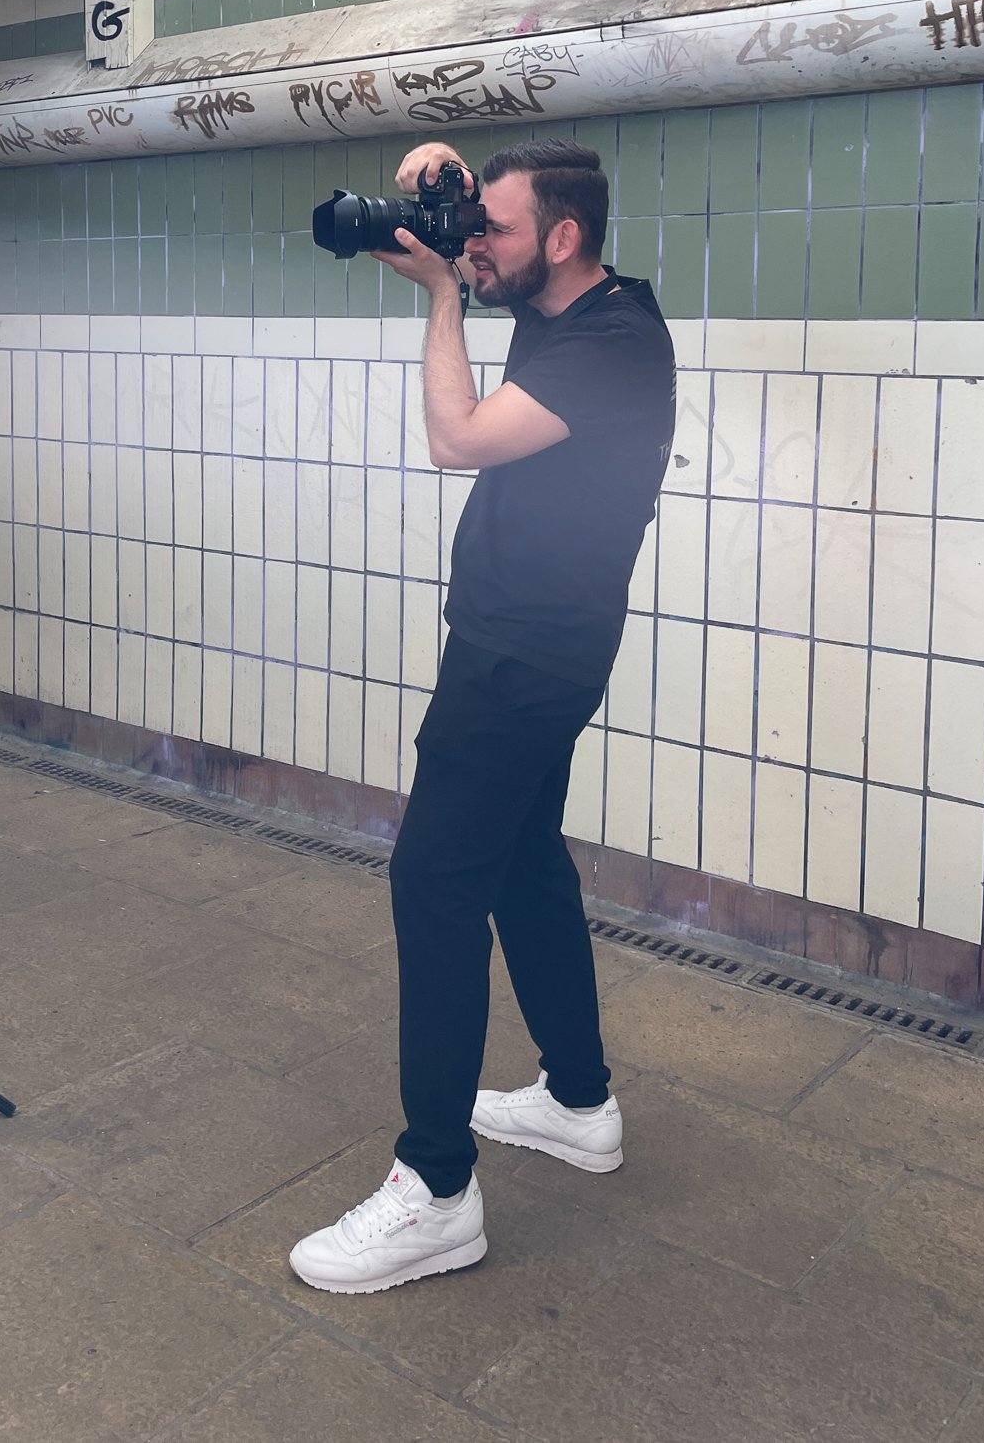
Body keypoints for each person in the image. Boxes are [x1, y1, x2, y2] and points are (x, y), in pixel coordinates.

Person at [288, 137, 676, 1295]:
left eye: (495, 231)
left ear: (563, 236)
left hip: (520, 660)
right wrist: (448, 178)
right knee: (519, 866)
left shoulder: (608, 342)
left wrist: (443, 301)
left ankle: (437, 1188)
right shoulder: (576, 304)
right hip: (540, 646)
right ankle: (577, 1099)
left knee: (436, 881)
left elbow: (457, 439)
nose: (472, 247)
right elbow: (485, 227)